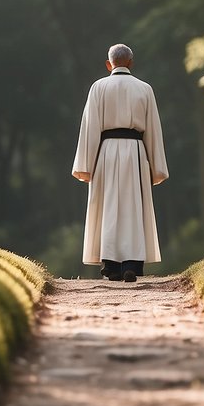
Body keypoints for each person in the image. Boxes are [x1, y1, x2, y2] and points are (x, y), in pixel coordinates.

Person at [72, 43, 169, 282]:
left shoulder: (98, 87)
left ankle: (111, 265)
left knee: (109, 206)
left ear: (109, 64)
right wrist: (156, 166)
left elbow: (90, 128)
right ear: (131, 63)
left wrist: (85, 165)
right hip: (135, 151)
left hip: (105, 152)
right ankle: (132, 264)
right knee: (133, 206)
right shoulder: (144, 89)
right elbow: (153, 130)